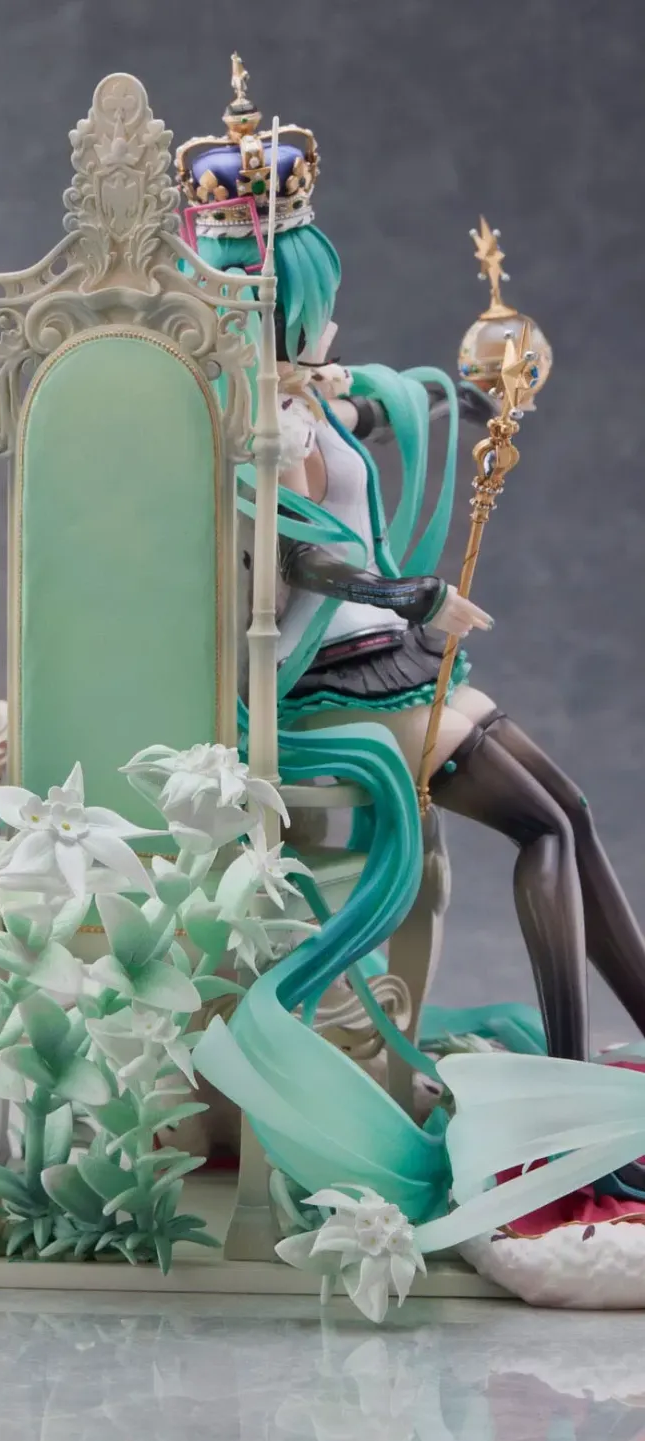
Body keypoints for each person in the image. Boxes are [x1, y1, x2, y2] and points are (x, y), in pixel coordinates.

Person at [178, 59, 645, 1194]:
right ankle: (567, 1093)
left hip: (380, 660)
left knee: (569, 813)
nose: (329, 319)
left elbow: (384, 407)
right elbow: (297, 552)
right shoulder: (252, 426)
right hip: (321, 681)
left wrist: (477, 394)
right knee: (541, 827)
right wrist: (410, 597)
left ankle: (611, 1061)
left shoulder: (305, 394)